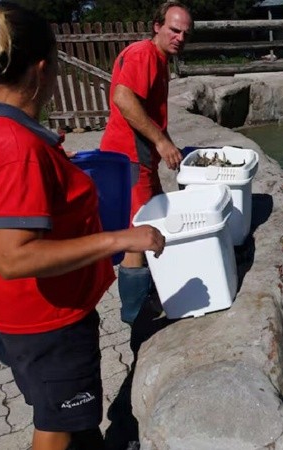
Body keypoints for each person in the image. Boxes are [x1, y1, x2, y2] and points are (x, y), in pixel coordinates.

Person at [0, 1, 166, 449]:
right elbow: (14, 257)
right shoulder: (19, 149)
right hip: (49, 322)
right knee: (56, 426)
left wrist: (49, 169)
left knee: (72, 423)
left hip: (12, 313)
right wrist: (120, 238)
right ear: (41, 70)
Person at [100, 1, 193, 325]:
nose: (180, 38)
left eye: (185, 33)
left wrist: (168, 143)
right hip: (130, 157)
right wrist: (161, 142)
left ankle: (152, 292)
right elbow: (123, 98)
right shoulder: (144, 55)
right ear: (157, 26)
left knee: (156, 220)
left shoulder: (159, 59)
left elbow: (149, 111)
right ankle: (136, 316)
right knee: (139, 234)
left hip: (139, 158)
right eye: (174, 30)